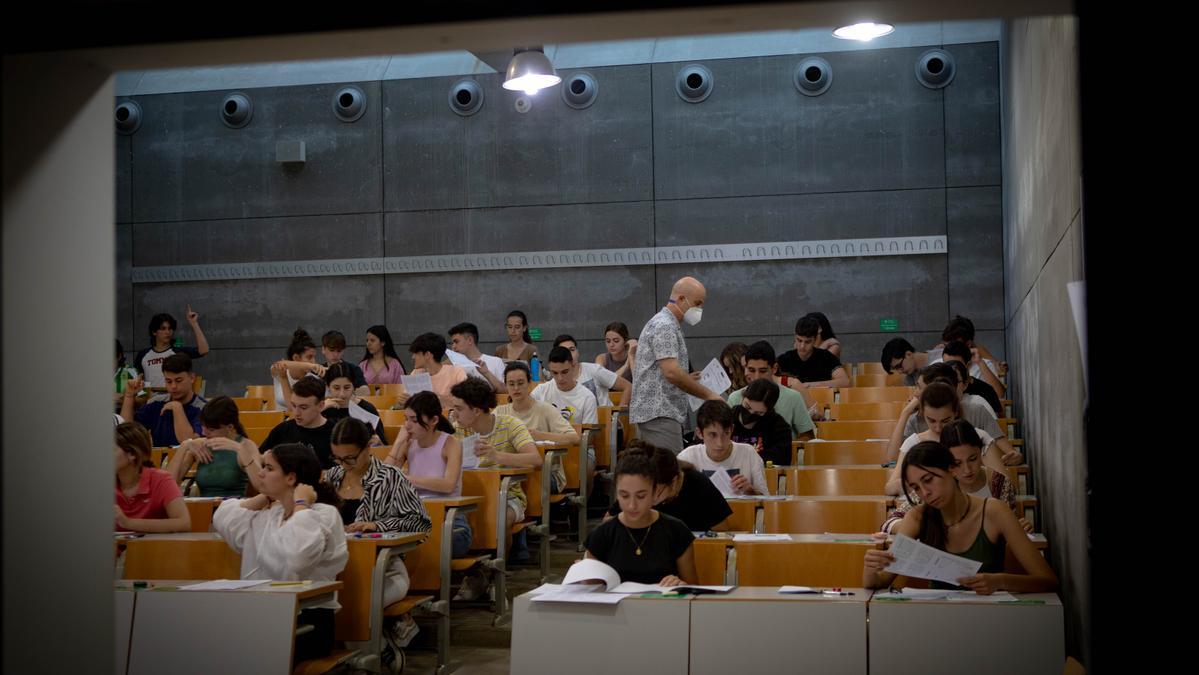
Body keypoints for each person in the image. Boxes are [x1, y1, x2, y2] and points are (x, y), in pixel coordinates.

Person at [212, 443, 349, 663]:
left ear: (291, 478)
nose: (260, 473)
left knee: (235, 652)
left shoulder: (324, 514)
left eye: (268, 468)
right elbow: (223, 520)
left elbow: (299, 558)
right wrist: (264, 497)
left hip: (308, 620)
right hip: (262, 615)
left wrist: (301, 504)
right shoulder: (270, 515)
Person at [863, 441, 1057, 594]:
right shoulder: (918, 517)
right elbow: (881, 581)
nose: (925, 493)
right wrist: (870, 569)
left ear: (952, 470)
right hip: (939, 620)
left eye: (928, 480)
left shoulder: (994, 511)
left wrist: (999, 581)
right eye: (915, 488)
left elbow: (1048, 580)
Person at [325, 417, 431, 660]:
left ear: (367, 448)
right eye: (338, 458)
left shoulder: (390, 477)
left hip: (384, 570)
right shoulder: (331, 478)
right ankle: (375, 652)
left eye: (350, 457)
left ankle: (371, 658)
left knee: (358, 604)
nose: (344, 464)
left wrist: (376, 525)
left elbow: (420, 522)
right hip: (339, 570)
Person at [447, 378, 542, 599]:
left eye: (459, 408)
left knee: (501, 518)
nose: (454, 413)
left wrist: (496, 455)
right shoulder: (457, 430)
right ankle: (475, 573)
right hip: (466, 498)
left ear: (477, 410)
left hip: (507, 496)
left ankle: (495, 576)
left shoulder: (509, 425)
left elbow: (535, 459)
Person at [881, 420, 1031, 534]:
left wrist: (1019, 528)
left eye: (973, 459)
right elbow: (890, 522)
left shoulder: (999, 483)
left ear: (981, 452)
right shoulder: (937, 485)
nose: (967, 470)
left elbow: (1009, 526)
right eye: (957, 463)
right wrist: (917, 526)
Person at [629, 276, 723, 454]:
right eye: (697, 303)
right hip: (661, 413)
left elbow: (663, 371)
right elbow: (671, 373)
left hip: (661, 413)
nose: (700, 309)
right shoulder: (665, 326)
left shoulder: (666, 323)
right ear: (681, 299)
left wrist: (687, 379)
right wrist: (710, 395)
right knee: (670, 474)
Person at [584, 450, 697, 586]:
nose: (632, 505)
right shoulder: (602, 535)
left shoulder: (676, 531)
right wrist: (585, 578)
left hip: (663, 606)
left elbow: (693, 589)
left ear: (655, 493)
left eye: (641, 496)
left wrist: (681, 584)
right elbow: (589, 593)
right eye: (624, 496)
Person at [386, 391, 473, 558]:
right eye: (406, 419)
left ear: (433, 420)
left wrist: (408, 479)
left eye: (414, 420)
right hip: (415, 516)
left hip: (449, 520)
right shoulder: (408, 442)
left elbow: (448, 485)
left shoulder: (450, 443)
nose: (408, 426)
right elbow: (384, 478)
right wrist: (397, 443)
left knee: (433, 542)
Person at [884, 382, 1000, 496]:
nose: (938, 428)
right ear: (923, 414)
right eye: (931, 420)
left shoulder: (979, 436)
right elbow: (889, 488)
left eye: (945, 420)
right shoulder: (914, 443)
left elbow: (1002, 482)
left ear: (955, 413)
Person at [603, 440, 733, 532]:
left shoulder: (697, 484)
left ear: (674, 481)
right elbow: (608, 521)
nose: (650, 498)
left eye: (657, 491)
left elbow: (722, 532)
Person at [496, 361, 581, 492]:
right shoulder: (500, 412)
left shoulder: (545, 409)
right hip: (510, 470)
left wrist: (540, 435)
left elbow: (575, 438)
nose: (516, 388)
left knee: (513, 483)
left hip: (545, 472)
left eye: (520, 383)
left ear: (529, 384)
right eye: (511, 384)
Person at [166, 396, 263, 498]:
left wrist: (240, 449)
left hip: (233, 509)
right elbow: (167, 485)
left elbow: (261, 485)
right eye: (203, 426)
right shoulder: (201, 445)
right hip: (203, 509)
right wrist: (184, 446)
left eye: (211, 429)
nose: (204, 432)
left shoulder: (246, 446)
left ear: (230, 427)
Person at [727, 340, 816, 440]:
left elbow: (807, 435)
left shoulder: (793, 397)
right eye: (751, 370)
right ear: (745, 368)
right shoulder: (734, 398)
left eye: (763, 371)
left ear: (774, 368)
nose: (756, 377)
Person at [114, 422, 191, 533]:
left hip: (153, 549)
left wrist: (128, 522)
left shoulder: (161, 480)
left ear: (132, 454)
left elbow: (183, 523)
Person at [678, 400, 768, 496]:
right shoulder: (687, 458)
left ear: (732, 430)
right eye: (712, 435)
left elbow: (766, 502)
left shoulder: (749, 453)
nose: (720, 443)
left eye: (726, 433)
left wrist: (750, 490)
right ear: (699, 433)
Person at [121, 353, 206, 447]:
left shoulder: (204, 409)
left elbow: (190, 444)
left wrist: (177, 408)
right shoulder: (156, 402)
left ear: (192, 378)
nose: (173, 386)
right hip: (157, 460)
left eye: (178, 381)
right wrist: (129, 396)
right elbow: (125, 434)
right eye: (168, 381)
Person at [260, 377, 336, 469]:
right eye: (294, 405)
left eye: (303, 407)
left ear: (321, 406)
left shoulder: (335, 433)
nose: (296, 413)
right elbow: (259, 458)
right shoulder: (282, 430)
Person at [134, 308, 209, 388]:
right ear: (154, 332)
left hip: (174, 398)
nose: (167, 332)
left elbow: (204, 350)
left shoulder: (178, 352)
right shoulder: (142, 355)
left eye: (170, 328)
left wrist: (194, 323)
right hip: (151, 399)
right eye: (163, 328)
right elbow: (137, 379)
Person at [317, 363, 387, 445]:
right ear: (328, 387)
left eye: (347, 388)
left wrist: (378, 442)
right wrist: (319, 410)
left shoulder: (366, 409)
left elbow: (384, 445)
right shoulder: (323, 409)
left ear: (354, 387)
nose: (342, 394)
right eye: (336, 388)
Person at [552, 334, 631, 406]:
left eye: (572, 349)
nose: (569, 354)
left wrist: (618, 415)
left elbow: (628, 386)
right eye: (565, 351)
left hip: (604, 419)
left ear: (577, 352)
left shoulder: (594, 370)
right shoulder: (556, 381)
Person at [731, 378, 793, 467]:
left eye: (758, 413)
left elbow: (781, 460)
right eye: (747, 406)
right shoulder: (727, 417)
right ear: (743, 397)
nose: (751, 413)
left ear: (768, 410)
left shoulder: (780, 427)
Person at [776, 315, 850, 388]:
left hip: (821, 398)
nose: (802, 346)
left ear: (815, 340)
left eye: (807, 342)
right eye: (799, 340)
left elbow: (844, 382)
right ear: (795, 336)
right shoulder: (784, 359)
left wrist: (811, 385)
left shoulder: (826, 357)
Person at [271, 328, 327, 410]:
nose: (313, 361)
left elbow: (293, 406)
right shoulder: (279, 370)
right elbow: (281, 364)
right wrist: (311, 366)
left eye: (314, 357)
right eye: (309, 357)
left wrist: (284, 378)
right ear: (296, 357)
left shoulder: (313, 380)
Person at [942, 340, 1003, 416]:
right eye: (946, 365)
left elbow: (998, 420)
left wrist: (980, 362)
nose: (950, 369)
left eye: (956, 365)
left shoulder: (985, 390)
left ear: (967, 365)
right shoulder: (936, 388)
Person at [408, 332, 469, 407]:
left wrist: (439, 400)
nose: (413, 357)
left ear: (427, 355)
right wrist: (404, 402)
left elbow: (467, 401)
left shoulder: (456, 372)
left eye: (416, 353)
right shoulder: (416, 373)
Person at [449, 321, 508, 392]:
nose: (453, 346)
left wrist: (486, 373)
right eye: (452, 343)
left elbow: (505, 391)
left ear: (470, 340)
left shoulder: (495, 361)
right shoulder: (453, 366)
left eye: (456, 342)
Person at [321, 330, 369, 397]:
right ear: (323, 349)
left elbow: (365, 391)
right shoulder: (317, 371)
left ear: (343, 351)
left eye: (339, 351)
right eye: (331, 350)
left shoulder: (353, 369)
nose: (335, 354)